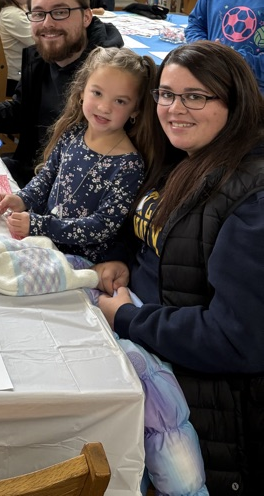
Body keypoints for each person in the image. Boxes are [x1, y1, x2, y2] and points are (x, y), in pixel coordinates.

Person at [95, 41, 264, 494]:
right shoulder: (188, 157)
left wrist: (130, 318)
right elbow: (162, 238)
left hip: (203, 404)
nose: (174, 108)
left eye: (195, 96)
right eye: (166, 94)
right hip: (145, 334)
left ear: (235, 101)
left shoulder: (251, 198)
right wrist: (122, 259)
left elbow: (234, 340)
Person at [0, 46, 156, 262]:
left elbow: (103, 226)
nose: (104, 107)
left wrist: (40, 225)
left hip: (81, 260)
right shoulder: (74, 133)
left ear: (136, 109)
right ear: (82, 92)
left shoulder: (129, 165)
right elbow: (47, 177)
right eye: (97, 93)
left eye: (120, 101)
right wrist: (21, 199)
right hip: (45, 242)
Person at [0, 0, 124, 184]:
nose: (47, 23)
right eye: (38, 14)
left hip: (68, 190)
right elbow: (22, 111)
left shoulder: (108, 75)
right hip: (30, 171)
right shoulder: (41, 57)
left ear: (86, 17)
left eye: (60, 12)